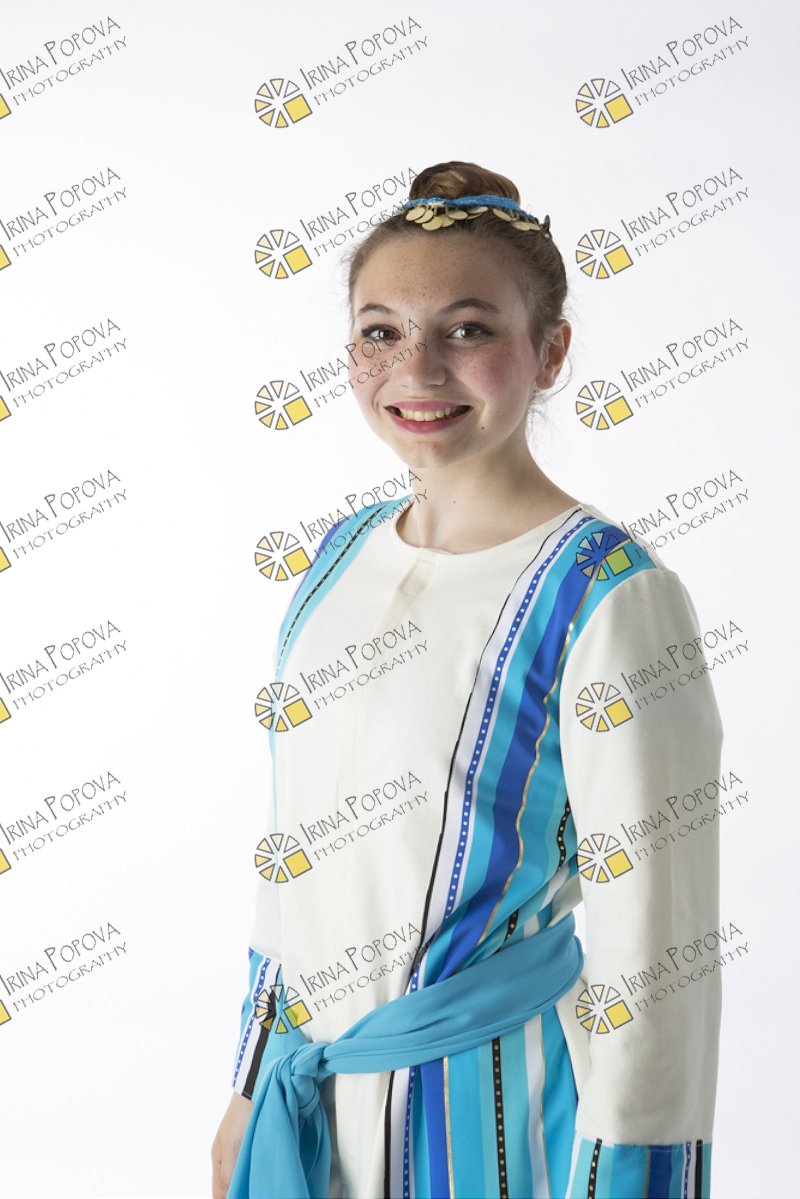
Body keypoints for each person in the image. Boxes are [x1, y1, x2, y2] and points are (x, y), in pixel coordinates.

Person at [211, 160, 724, 1199]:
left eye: (468, 328)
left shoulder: (605, 594)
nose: (418, 368)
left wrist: (631, 1182)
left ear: (550, 350)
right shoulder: (338, 559)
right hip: (309, 1114)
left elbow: (657, 954)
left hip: (498, 1120)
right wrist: (247, 1089)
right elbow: (292, 864)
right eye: (381, 331)